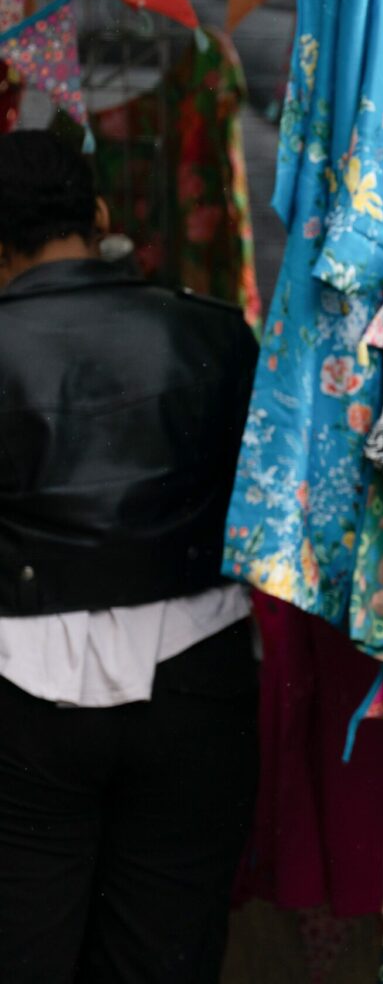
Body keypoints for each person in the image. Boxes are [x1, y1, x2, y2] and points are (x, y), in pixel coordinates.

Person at [0, 129, 260, 982]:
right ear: (101, 215)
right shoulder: (216, 333)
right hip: (197, 676)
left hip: (20, 685)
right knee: (164, 956)